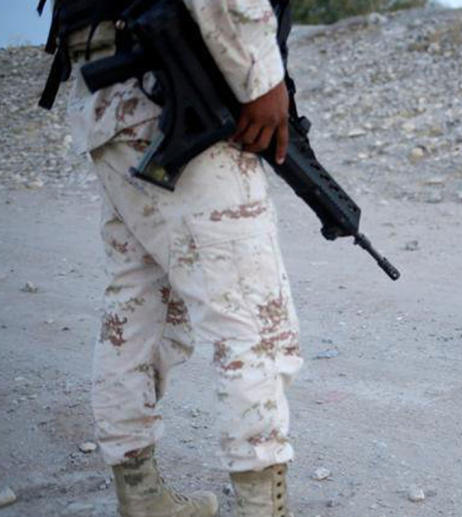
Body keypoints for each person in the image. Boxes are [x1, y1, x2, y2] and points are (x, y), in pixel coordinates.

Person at [47, 1, 302, 515]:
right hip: (170, 83)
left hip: (114, 88)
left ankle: (140, 496)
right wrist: (262, 75)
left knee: (142, 302)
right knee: (254, 319)